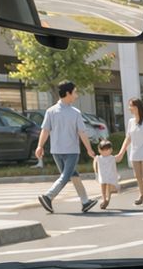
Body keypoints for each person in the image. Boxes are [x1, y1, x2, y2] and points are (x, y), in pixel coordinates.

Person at [35, 81, 97, 214]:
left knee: (73, 174)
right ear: (68, 93)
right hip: (71, 151)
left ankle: (85, 202)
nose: (76, 95)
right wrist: (89, 149)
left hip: (56, 151)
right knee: (65, 176)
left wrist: (40, 146)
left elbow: (45, 131)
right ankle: (48, 196)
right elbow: (82, 132)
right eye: (75, 92)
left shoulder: (50, 111)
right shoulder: (75, 113)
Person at [92, 140, 119, 209]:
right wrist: (96, 170)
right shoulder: (98, 158)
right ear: (99, 150)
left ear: (111, 150)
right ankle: (104, 199)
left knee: (108, 188)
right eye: (103, 150)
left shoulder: (112, 157)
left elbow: (118, 158)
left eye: (107, 150)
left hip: (110, 175)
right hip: (102, 176)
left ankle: (107, 200)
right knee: (103, 187)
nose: (105, 151)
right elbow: (95, 163)